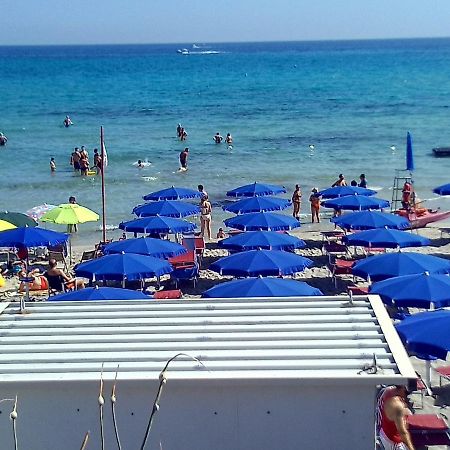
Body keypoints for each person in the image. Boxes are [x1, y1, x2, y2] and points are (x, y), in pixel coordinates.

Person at [376, 385, 415, 450]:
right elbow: (402, 432)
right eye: (407, 393)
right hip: (391, 439)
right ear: (402, 389)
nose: (407, 397)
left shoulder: (387, 391)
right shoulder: (397, 406)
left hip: (383, 431)